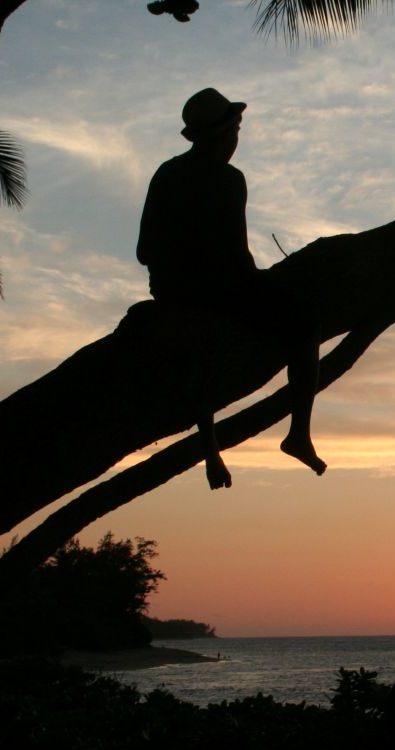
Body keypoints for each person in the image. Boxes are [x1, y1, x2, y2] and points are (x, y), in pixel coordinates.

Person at [137, 87, 325, 490]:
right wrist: (257, 284)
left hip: (169, 289)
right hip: (216, 288)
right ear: (224, 134)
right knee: (306, 326)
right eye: (235, 129)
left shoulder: (166, 173)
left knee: (198, 357)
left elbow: (143, 251)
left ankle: (211, 450)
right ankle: (299, 433)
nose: (236, 138)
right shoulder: (228, 179)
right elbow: (238, 259)